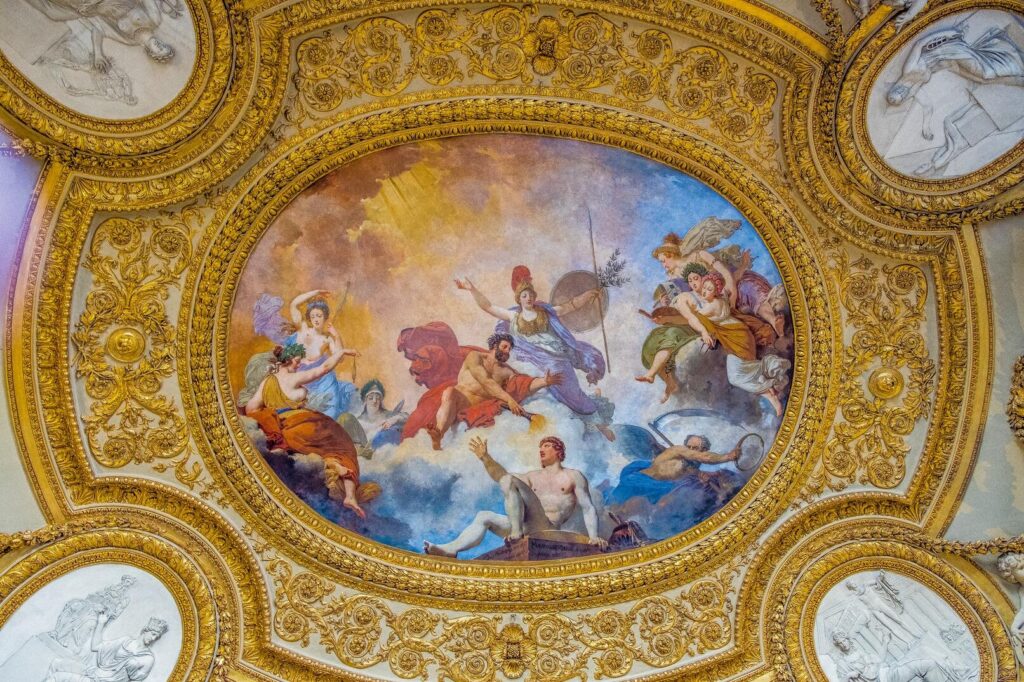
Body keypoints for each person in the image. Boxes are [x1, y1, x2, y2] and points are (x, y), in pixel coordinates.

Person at [455, 266, 613, 440]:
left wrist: (588, 294)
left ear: (534, 297)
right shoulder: (513, 317)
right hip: (535, 360)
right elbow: (487, 306)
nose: (528, 298)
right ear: (519, 299)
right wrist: (471, 289)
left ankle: (596, 420)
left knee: (572, 390)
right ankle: (589, 420)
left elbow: (570, 306)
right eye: (524, 296)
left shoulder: (546, 312)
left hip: (558, 357)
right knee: (558, 388)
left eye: (530, 295)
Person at [244, 340, 374, 518]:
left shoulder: (266, 382)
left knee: (323, 448)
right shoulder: (293, 377)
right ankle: (349, 494)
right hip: (304, 425)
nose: (298, 365)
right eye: (297, 361)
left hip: (283, 431)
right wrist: (341, 352)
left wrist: (270, 420)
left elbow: (251, 409)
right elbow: (324, 368)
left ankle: (333, 465)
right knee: (342, 443)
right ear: (288, 360)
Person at [423, 436, 606, 557]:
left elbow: (588, 507)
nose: (541, 449)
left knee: (510, 481)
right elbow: (502, 477)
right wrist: (485, 458)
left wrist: (594, 536)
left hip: (547, 526)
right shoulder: (531, 476)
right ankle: (452, 549)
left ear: (559, 451)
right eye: (540, 446)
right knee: (484, 515)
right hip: (523, 526)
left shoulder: (573, 476)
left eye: (547, 446)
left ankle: (516, 533)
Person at [671, 270, 790, 417]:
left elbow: (694, 318)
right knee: (745, 372)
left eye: (709, 289)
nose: (704, 292)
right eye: (704, 288)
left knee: (736, 377)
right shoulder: (720, 301)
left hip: (737, 339)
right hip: (741, 336)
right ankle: (770, 392)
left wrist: (681, 306)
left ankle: (771, 380)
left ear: (716, 291)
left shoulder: (712, 305)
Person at [418, 333, 562, 451]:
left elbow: (523, 385)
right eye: (505, 347)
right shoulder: (475, 357)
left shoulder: (506, 371)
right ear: (495, 346)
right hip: (456, 402)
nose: (507, 351)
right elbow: (485, 381)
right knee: (449, 391)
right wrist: (509, 400)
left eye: (510, 349)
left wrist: (544, 381)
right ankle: (438, 436)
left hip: (476, 411)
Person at [26, 0, 178, 71]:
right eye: (164, 47)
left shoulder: (129, 39)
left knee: (54, 13)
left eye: (159, 50)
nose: (160, 46)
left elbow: (100, 29)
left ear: (152, 53)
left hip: (91, 7)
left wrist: (98, 54)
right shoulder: (154, 20)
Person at [608, 434, 752, 505]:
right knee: (611, 506)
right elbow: (705, 458)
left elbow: (701, 474)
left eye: (695, 448)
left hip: (657, 490)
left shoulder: (690, 468)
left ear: (704, 449)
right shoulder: (678, 450)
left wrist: (707, 478)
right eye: (688, 447)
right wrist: (728, 456)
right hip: (638, 482)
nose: (691, 450)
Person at [284, 290, 357, 419]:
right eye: (313, 316)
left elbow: (340, 358)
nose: (316, 319)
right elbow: (294, 304)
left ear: (325, 317)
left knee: (328, 415)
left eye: (319, 316)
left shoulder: (326, 339)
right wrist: (316, 292)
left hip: (321, 382)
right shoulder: (303, 328)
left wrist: (336, 336)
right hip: (300, 379)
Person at [44, 614, 168, 682]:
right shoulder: (125, 641)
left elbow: (137, 680)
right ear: (146, 630)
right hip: (95, 672)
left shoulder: (147, 658)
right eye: (153, 634)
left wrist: (131, 671)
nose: (153, 639)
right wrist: (101, 623)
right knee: (56, 663)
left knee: (56, 678)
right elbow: (96, 646)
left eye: (156, 637)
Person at [828, 630, 946, 682]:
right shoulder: (842, 663)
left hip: (886, 673)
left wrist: (885, 641)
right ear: (838, 646)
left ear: (848, 640)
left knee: (927, 662)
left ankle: (952, 669)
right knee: (926, 665)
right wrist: (848, 675)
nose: (843, 644)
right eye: (840, 644)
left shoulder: (860, 652)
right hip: (885, 679)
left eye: (844, 641)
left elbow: (880, 659)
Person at [356, 379, 407, 448]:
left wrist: (396, 418)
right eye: (371, 398)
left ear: (381, 400)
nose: (374, 401)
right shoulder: (358, 421)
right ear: (365, 400)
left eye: (378, 398)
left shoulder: (388, 415)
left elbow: (408, 417)